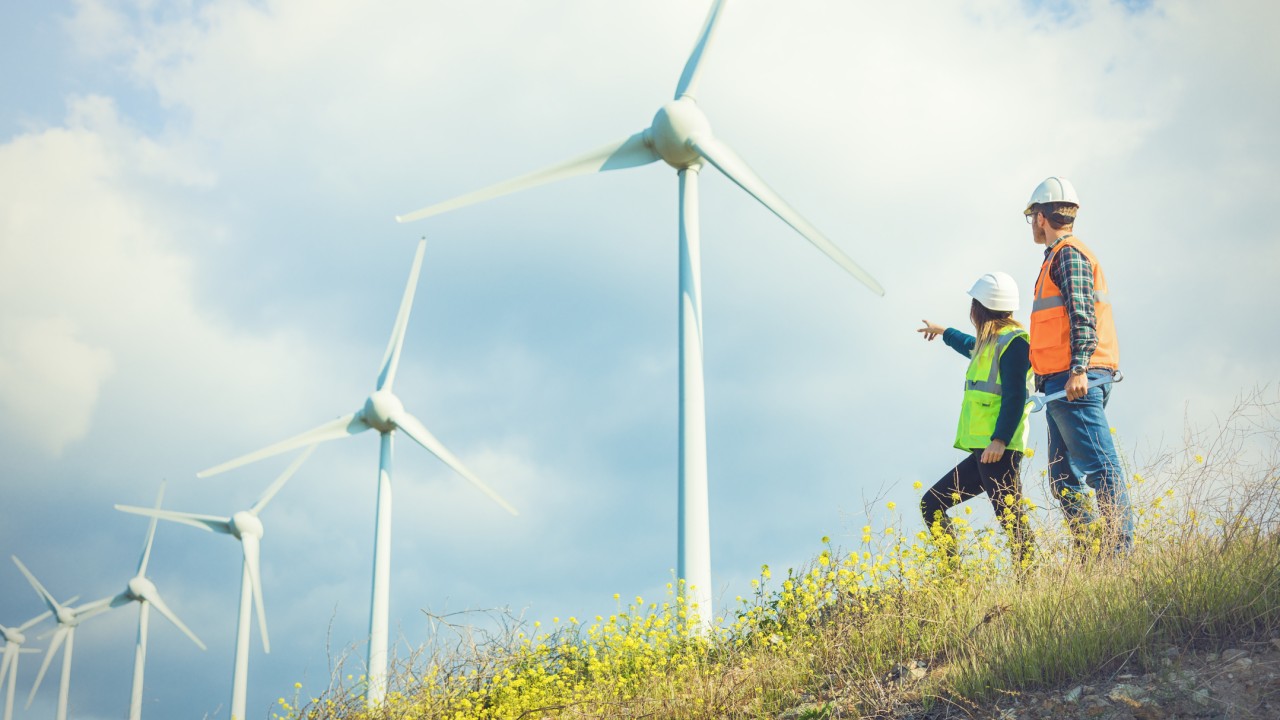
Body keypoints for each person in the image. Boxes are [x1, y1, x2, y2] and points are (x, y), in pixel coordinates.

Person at [1023, 176, 1133, 554]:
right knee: (1062, 478)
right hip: (1061, 384)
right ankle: (1090, 553)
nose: (1032, 225)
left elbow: (1081, 315)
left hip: (1075, 382)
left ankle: (1118, 556)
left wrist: (1079, 369)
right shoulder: (1059, 255)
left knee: (1101, 468)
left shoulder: (1068, 255)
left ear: (1041, 217)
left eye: (1032, 218)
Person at [917, 272, 1035, 566]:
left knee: (1012, 520)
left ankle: (1031, 575)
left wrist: (1000, 439)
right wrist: (944, 332)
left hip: (998, 449)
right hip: (986, 449)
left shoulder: (1014, 343)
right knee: (932, 504)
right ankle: (953, 575)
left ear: (979, 309)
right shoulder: (992, 342)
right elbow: (969, 344)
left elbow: (1015, 395)